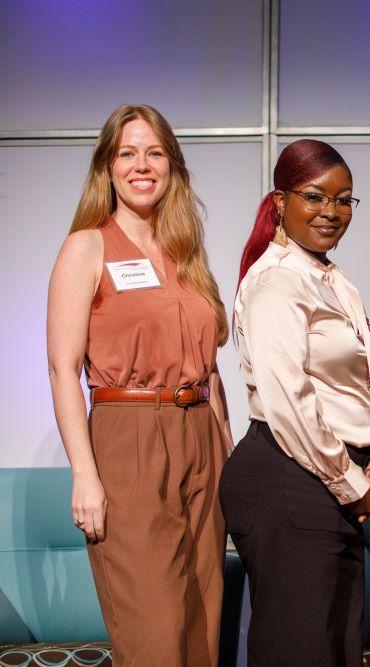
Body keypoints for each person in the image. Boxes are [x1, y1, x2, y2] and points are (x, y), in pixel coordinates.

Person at [46, 104, 232, 666]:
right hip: (128, 438)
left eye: (154, 153)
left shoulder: (186, 253)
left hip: (201, 437)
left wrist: (228, 458)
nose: (141, 165)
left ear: (172, 165)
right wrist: (85, 476)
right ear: (107, 167)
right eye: (127, 153)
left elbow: (211, 368)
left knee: (202, 624)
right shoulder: (87, 247)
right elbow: (61, 368)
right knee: (155, 633)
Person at [219, 139, 370, 666]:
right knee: (299, 651)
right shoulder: (276, 281)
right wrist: (352, 482)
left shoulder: (331, 279)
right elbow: (289, 404)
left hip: (328, 478)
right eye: (315, 197)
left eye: (343, 200)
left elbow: (356, 388)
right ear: (280, 202)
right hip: (289, 477)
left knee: (337, 650)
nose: (330, 211)